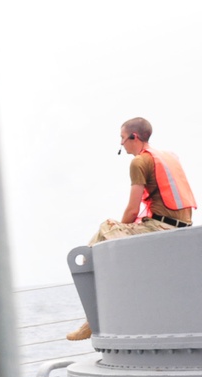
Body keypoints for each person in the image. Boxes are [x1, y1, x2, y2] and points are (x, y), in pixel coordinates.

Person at [67, 117, 196, 340]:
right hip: (182, 227)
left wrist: (118, 233)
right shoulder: (167, 157)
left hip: (160, 228)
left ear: (133, 137)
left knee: (106, 228)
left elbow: (131, 212)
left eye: (122, 138)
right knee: (112, 233)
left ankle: (91, 318)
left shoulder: (139, 162)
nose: (121, 144)